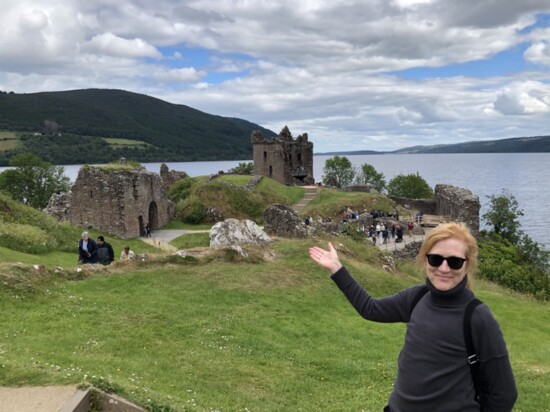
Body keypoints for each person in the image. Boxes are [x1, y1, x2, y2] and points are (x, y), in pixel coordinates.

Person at [309, 222, 517, 411]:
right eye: (435, 259)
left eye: (454, 262)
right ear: (425, 259)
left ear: (467, 264)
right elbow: (369, 308)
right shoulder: (417, 297)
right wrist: (337, 269)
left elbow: (504, 394)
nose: (444, 268)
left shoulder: (477, 316)